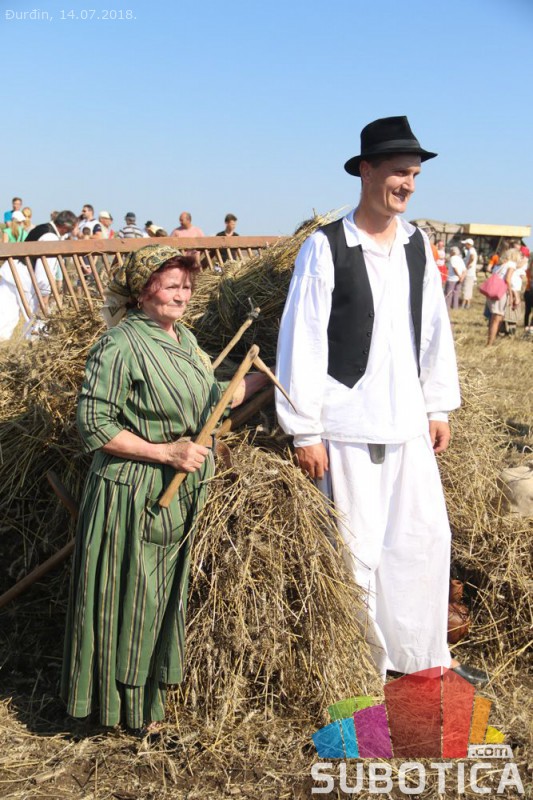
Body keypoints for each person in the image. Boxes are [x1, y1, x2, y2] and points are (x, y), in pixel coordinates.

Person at [275, 115, 487, 686]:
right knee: (358, 552)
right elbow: (303, 338)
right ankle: (362, 670)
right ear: (366, 171)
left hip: (407, 422)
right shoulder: (326, 247)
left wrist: (437, 406)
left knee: (423, 542)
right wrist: (305, 429)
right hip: (347, 426)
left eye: (414, 174)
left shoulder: (417, 244)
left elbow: (433, 327)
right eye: (398, 172)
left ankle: (421, 661)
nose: (408, 184)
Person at [61, 244, 267, 732]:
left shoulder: (184, 339)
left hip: (178, 494)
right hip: (132, 494)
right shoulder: (119, 345)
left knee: (159, 599)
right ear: (142, 291)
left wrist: (252, 382)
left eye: (187, 286)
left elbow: (207, 397)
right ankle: (115, 709)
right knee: (133, 598)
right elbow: (95, 424)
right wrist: (165, 453)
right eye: (171, 285)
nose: (182, 294)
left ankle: (145, 707)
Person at [486, 249, 517, 345]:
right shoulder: (511, 264)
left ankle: (490, 340)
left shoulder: (499, 264)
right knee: (497, 318)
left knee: (493, 318)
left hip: (492, 291)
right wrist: (511, 295)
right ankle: (490, 342)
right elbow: (508, 279)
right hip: (501, 292)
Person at [444, 246, 466, 310]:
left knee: (448, 293)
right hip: (459, 279)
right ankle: (455, 307)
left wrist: (459, 276)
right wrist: (462, 277)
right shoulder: (460, 259)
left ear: (453, 252)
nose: (449, 253)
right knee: (456, 293)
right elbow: (465, 270)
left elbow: (454, 268)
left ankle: (447, 307)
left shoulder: (452, 258)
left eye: (450, 251)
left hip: (452, 278)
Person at [460, 238, 478, 309]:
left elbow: (472, 257)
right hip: (471, 273)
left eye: (465, 244)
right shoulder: (472, 250)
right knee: (469, 289)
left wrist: (467, 265)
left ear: (469, 244)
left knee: (465, 288)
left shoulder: (471, 251)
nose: (465, 245)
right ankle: (467, 304)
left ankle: (463, 304)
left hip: (469, 273)